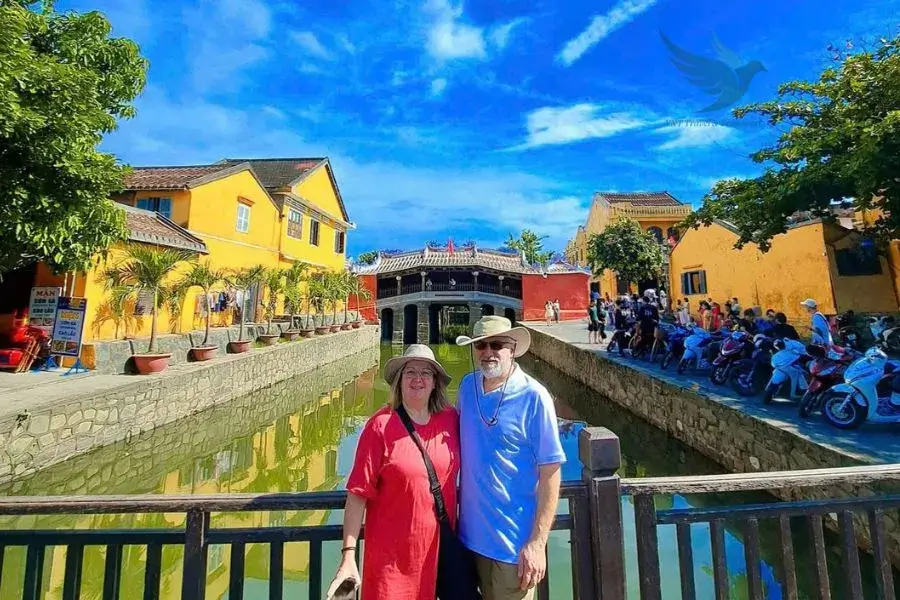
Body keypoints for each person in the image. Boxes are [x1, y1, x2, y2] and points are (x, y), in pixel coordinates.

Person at [327, 345, 458, 600]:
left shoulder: (450, 420)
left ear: (435, 383)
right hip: (391, 564)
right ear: (399, 381)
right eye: (410, 372)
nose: (418, 379)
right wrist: (348, 555)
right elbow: (358, 494)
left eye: (426, 373)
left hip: (439, 558)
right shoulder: (380, 426)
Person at [456, 316, 565, 600]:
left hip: (513, 547)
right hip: (468, 542)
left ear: (512, 348)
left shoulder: (534, 397)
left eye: (497, 344)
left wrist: (538, 543)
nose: (488, 351)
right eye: (480, 345)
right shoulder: (467, 388)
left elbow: (551, 473)